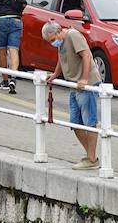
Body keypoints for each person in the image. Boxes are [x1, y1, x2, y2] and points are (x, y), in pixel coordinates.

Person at [43, 18, 100, 170]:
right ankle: (91, 156)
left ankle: (91, 159)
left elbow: (86, 55)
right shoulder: (61, 41)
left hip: (87, 84)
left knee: (90, 122)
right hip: (74, 84)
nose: (53, 43)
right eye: (50, 42)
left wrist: (85, 79)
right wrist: (55, 74)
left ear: (58, 31)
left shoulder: (72, 35)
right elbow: (61, 58)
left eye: (53, 40)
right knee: (75, 123)